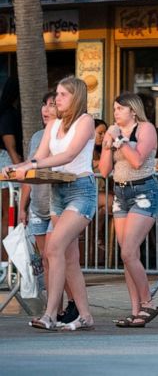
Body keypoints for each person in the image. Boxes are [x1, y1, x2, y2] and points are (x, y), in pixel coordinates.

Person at [6, 77, 97, 331]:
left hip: (81, 190)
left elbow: (68, 155)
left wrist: (31, 166)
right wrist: (16, 168)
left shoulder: (85, 121)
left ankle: (50, 315)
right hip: (58, 192)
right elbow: (39, 156)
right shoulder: (53, 124)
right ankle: (86, 315)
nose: (57, 99)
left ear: (76, 97)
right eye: (56, 94)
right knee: (68, 258)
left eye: (63, 95)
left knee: (53, 248)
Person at [97, 92, 158, 328]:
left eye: (120, 109)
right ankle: (136, 312)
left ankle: (148, 302)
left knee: (128, 252)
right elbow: (104, 171)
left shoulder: (145, 129)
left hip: (144, 192)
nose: (116, 113)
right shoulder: (113, 132)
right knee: (128, 256)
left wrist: (119, 141)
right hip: (121, 193)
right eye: (114, 109)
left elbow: (137, 161)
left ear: (133, 111)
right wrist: (107, 145)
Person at [17, 93, 59, 296]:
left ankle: (68, 306)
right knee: (44, 258)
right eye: (44, 105)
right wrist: (22, 207)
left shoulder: (65, 137)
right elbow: (29, 175)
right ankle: (52, 306)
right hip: (37, 206)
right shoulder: (36, 137)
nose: (45, 109)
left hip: (57, 206)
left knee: (55, 256)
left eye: (51, 105)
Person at [0, 76, 23, 166]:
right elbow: (10, 148)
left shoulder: (10, 112)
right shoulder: (7, 115)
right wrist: (19, 167)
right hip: (8, 159)